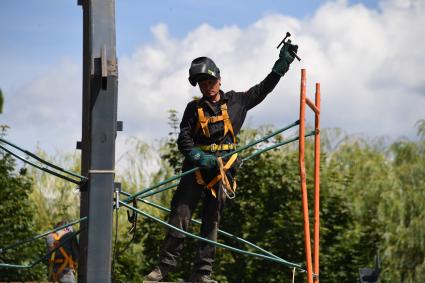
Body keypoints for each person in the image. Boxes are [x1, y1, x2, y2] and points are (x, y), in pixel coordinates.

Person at [145, 41, 298, 283]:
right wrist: (197, 156)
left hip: (222, 171)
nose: (206, 87)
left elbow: (263, 89)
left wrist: (280, 68)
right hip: (196, 169)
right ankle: (164, 267)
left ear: (219, 79)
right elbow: (184, 139)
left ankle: (202, 274)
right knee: (180, 214)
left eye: (209, 82)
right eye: (202, 84)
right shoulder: (193, 109)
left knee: (211, 221)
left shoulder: (237, 101)